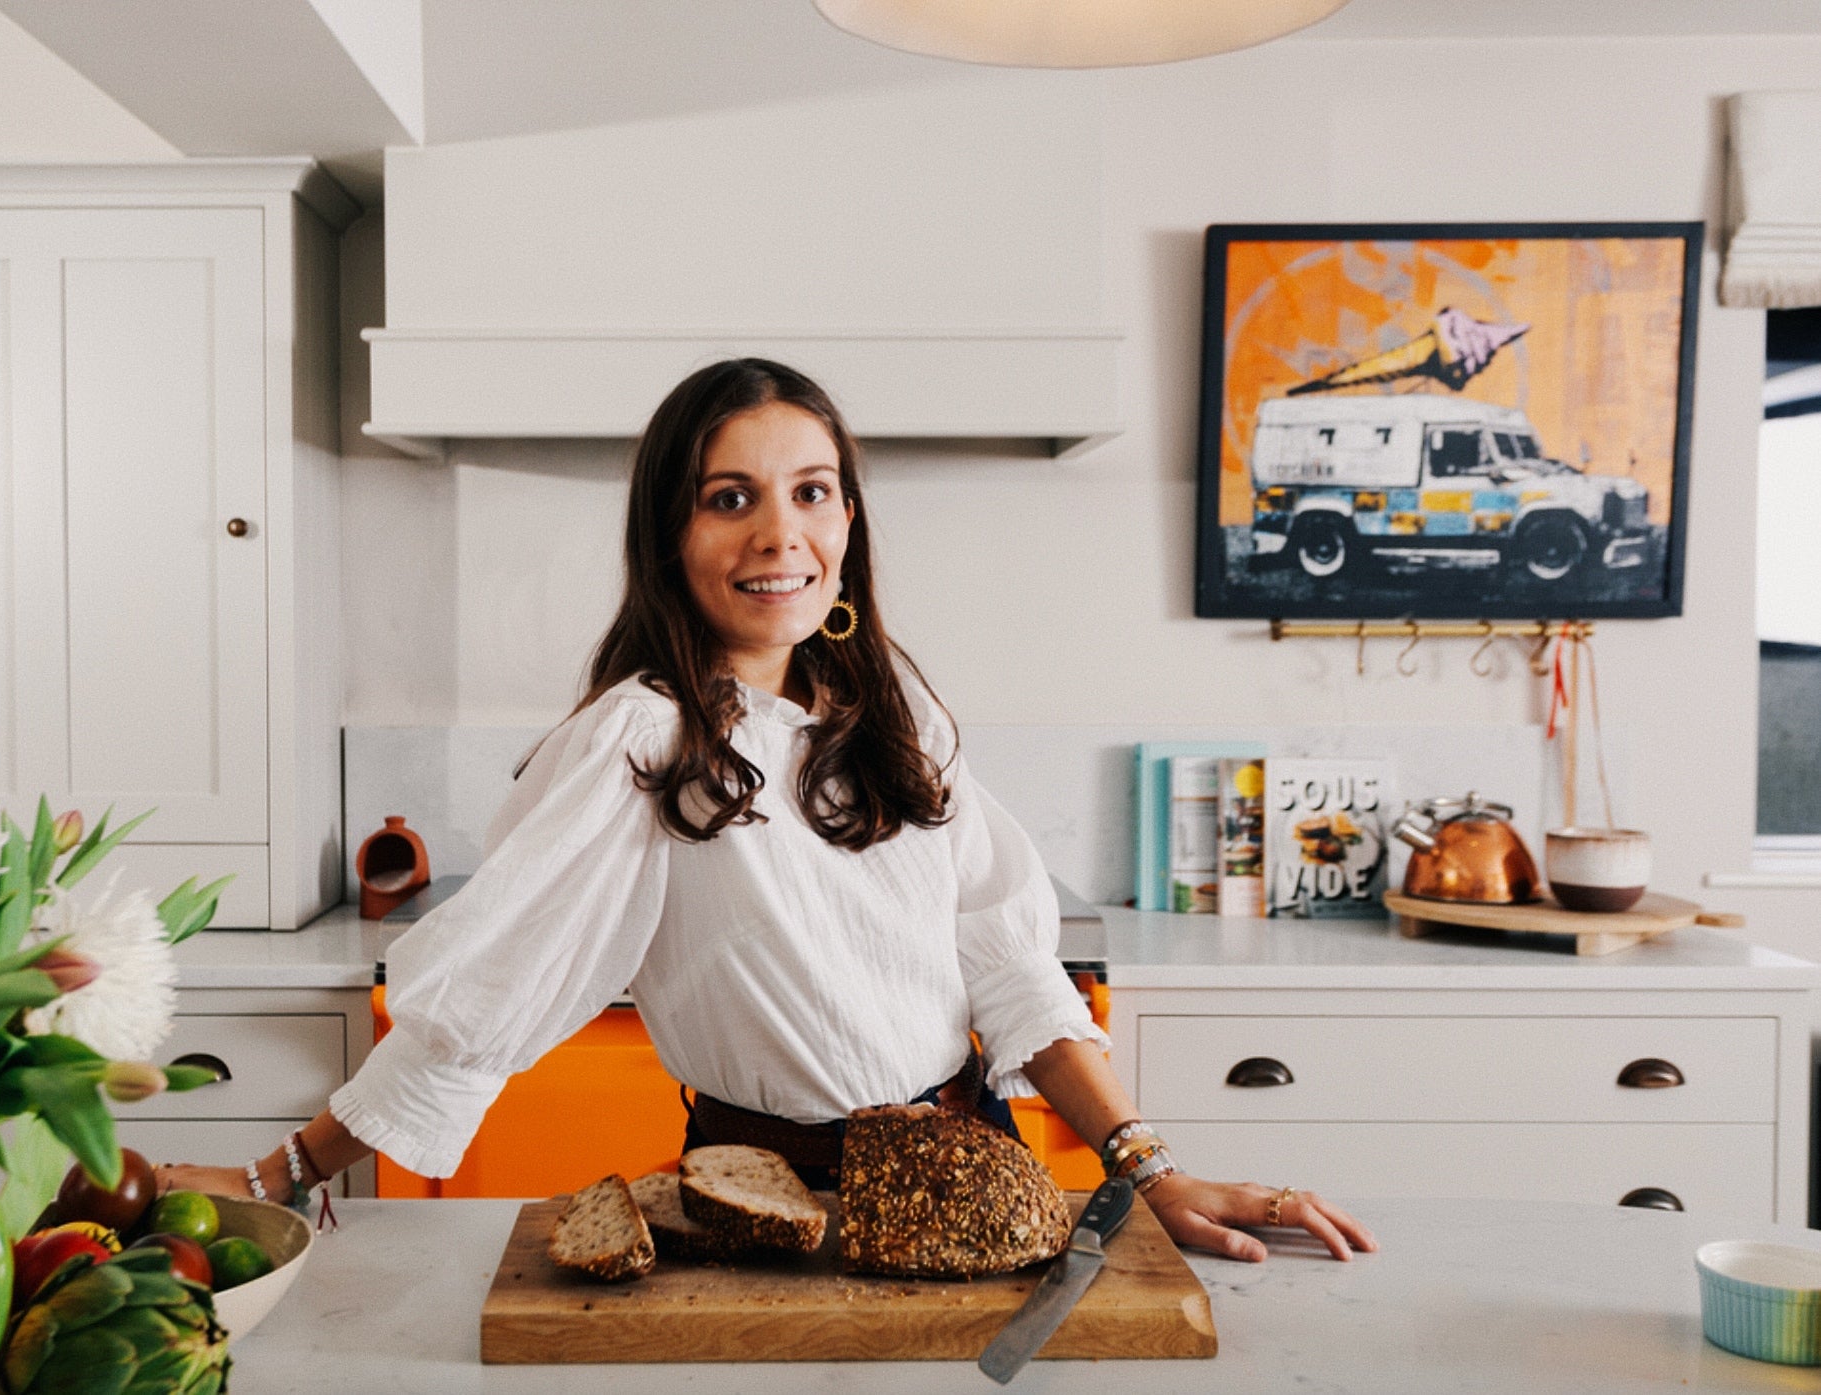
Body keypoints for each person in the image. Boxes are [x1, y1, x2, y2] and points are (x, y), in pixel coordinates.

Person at [162, 358, 1376, 1264]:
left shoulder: (892, 707)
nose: (780, 534)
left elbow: (1008, 967)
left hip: (973, 1168)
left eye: (812, 492)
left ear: (848, 519)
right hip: (764, 1206)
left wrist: (1151, 1173)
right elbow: (484, 994)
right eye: (729, 497)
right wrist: (284, 1169)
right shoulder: (640, 742)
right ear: (670, 534)